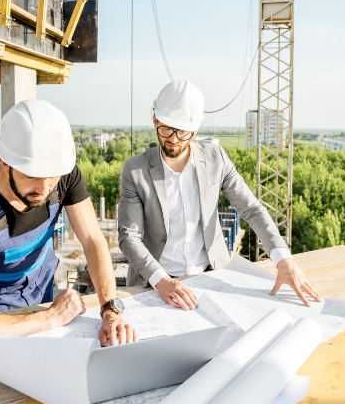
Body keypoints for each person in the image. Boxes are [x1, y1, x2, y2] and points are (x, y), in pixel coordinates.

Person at [0, 99, 135, 348]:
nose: (44, 188)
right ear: (5, 161)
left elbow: (92, 240)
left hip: (43, 290)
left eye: (51, 177)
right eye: (32, 175)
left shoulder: (63, 172)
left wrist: (110, 308)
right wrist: (50, 318)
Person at [118, 78, 320, 310]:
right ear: (155, 119)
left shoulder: (216, 158)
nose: (173, 139)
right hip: (155, 283)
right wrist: (161, 280)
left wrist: (283, 259)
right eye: (166, 129)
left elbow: (251, 209)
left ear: (195, 131)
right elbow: (129, 237)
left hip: (211, 274)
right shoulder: (135, 171)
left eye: (182, 132)